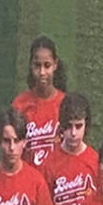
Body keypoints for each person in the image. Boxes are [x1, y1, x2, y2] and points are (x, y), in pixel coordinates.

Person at [12, 35, 67, 170]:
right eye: (37, 65)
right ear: (31, 65)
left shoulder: (65, 103)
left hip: (60, 182)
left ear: (55, 65)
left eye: (47, 65)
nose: (42, 72)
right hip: (29, 181)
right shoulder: (20, 104)